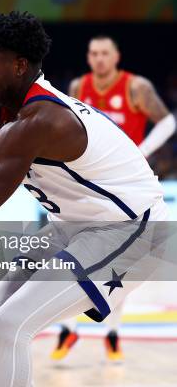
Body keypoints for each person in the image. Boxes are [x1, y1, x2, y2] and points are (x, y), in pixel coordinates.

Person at [0, 11, 168, 386]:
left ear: (20, 66)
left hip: (132, 227)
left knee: (9, 326)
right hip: (71, 226)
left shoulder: (42, 121)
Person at [51, 35, 176, 361]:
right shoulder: (79, 86)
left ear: (116, 56)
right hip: (87, 186)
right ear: (89, 57)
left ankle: (112, 334)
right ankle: (69, 330)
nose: (99, 59)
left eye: (105, 53)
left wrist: (143, 151)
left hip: (127, 186)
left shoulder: (136, 87)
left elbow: (168, 120)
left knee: (119, 264)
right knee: (74, 256)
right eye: (93, 53)